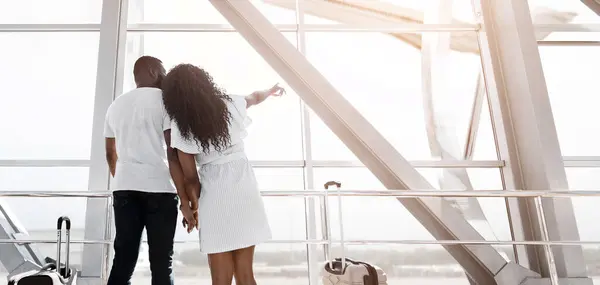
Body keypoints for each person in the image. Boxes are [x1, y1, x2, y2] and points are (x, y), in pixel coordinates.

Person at [161, 63, 285, 285]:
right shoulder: (230, 103)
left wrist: (193, 207)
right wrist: (270, 91)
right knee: (246, 274)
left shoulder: (181, 125)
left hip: (214, 193)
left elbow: (191, 178)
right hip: (244, 187)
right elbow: (254, 97)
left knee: (220, 279)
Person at [104, 56, 183, 285]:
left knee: (123, 262)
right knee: (161, 264)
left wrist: (124, 179)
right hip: (159, 188)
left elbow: (110, 153)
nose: (165, 75)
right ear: (151, 70)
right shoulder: (165, 101)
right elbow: (172, 151)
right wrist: (185, 196)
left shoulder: (116, 105)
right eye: (162, 70)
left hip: (125, 189)